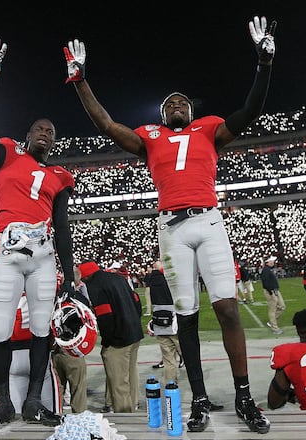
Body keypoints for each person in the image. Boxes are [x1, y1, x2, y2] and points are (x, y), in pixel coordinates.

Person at [63, 15, 276, 434]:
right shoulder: (149, 136)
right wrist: (80, 81)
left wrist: (264, 64)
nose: (176, 105)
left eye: (182, 102)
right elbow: (106, 124)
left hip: (208, 222)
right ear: (162, 114)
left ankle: (244, 396)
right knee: (188, 318)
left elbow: (250, 111)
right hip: (172, 229)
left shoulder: (209, 129)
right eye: (169, 104)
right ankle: (198, 399)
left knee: (229, 310)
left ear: (192, 111)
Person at [0, 36, 77, 436]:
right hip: (8, 250)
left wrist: (70, 274)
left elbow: (63, 227)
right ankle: (2, 403)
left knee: (40, 330)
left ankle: (33, 401)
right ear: (27, 134)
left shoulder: (60, 177)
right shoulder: (4, 153)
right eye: (39, 129)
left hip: (44, 256)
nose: (45, 134)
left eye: (51, 131)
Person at [78, 261, 144, 413]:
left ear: (86, 277)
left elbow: (105, 315)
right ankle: (133, 406)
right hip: (134, 333)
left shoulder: (95, 286)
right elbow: (136, 301)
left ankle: (124, 416)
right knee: (131, 373)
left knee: (119, 382)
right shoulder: (118, 278)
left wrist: (107, 341)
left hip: (118, 339)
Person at [51, 265, 91, 414]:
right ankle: (79, 426)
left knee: (56, 391)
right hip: (74, 349)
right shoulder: (80, 298)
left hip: (54, 348)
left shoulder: (52, 297)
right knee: (78, 391)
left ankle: (57, 423)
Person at [146, 260, 182, 386]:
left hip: (159, 324)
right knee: (188, 355)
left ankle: (171, 387)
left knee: (168, 361)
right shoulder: (169, 280)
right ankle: (199, 394)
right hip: (174, 322)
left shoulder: (152, 280)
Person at [260, 256, 285, 335]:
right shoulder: (265, 270)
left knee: (282, 306)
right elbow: (265, 283)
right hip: (271, 291)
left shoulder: (268, 269)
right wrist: (271, 293)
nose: (273, 262)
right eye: (272, 261)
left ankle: (271, 322)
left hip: (275, 290)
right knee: (272, 310)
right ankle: (275, 328)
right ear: (268, 262)